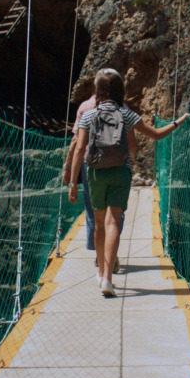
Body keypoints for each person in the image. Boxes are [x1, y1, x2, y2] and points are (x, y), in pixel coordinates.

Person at [69, 69, 189, 297]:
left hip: (94, 172)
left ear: (98, 90)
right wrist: (177, 122)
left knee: (98, 224)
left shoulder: (88, 115)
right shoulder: (126, 114)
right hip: (120, 173)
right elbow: (155, 134)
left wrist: (74, 182)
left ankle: (101, 272)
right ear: (120, 90)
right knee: (114, 222)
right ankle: (108, 279)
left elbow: (79, 150)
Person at [62, 69, 135, 272]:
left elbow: (77, 142)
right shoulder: (123, 108)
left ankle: (99, 255)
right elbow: (131, 143)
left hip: (91, 165)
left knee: (93, 213)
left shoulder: (85, 108)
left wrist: (68, 168)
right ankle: (111, 256)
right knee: (116, 215)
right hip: (119, 166)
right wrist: (132, 164)